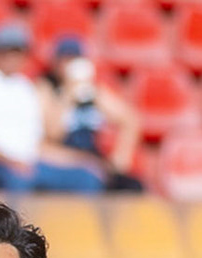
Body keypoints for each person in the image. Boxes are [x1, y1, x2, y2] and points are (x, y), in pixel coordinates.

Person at [0, 22, 103, 193]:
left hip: (26, 165)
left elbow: (37, 145)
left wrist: (80, 160)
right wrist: (9, 161)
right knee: (18, 178)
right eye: (8, 51)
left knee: (86, 177)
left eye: (19, 51)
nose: (14, 57)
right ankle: (13, 220)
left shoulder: (24, 87)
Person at [39, 37, 144, 192]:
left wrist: (120, 157)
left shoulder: (93, 92)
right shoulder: (47, 90)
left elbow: (130, 120)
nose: (69, 65)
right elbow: (52, 134)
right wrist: (68, 95)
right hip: (63, 159)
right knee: (88, 180)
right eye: (65, 60)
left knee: (132, 187)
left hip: (91, 158)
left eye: (74, 59)